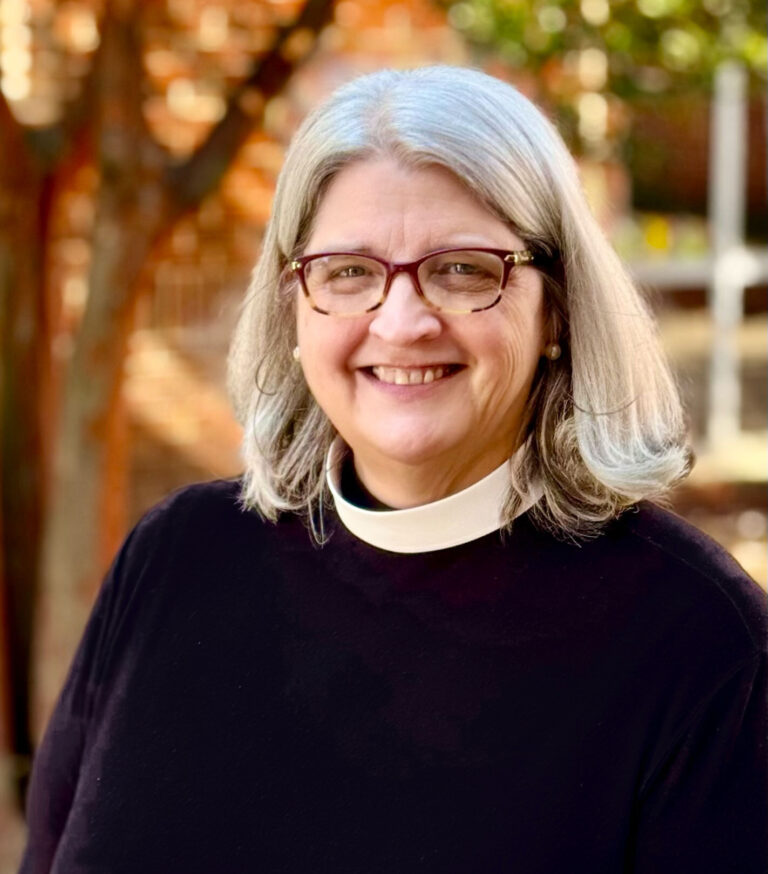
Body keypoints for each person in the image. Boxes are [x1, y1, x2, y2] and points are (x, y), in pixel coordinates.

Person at [21, 66, 766, 874]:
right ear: (294, 309)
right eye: (349, 272)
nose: (403, 322)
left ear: (556, 308)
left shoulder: (700, 642)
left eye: (464, 269)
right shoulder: (174, 558)